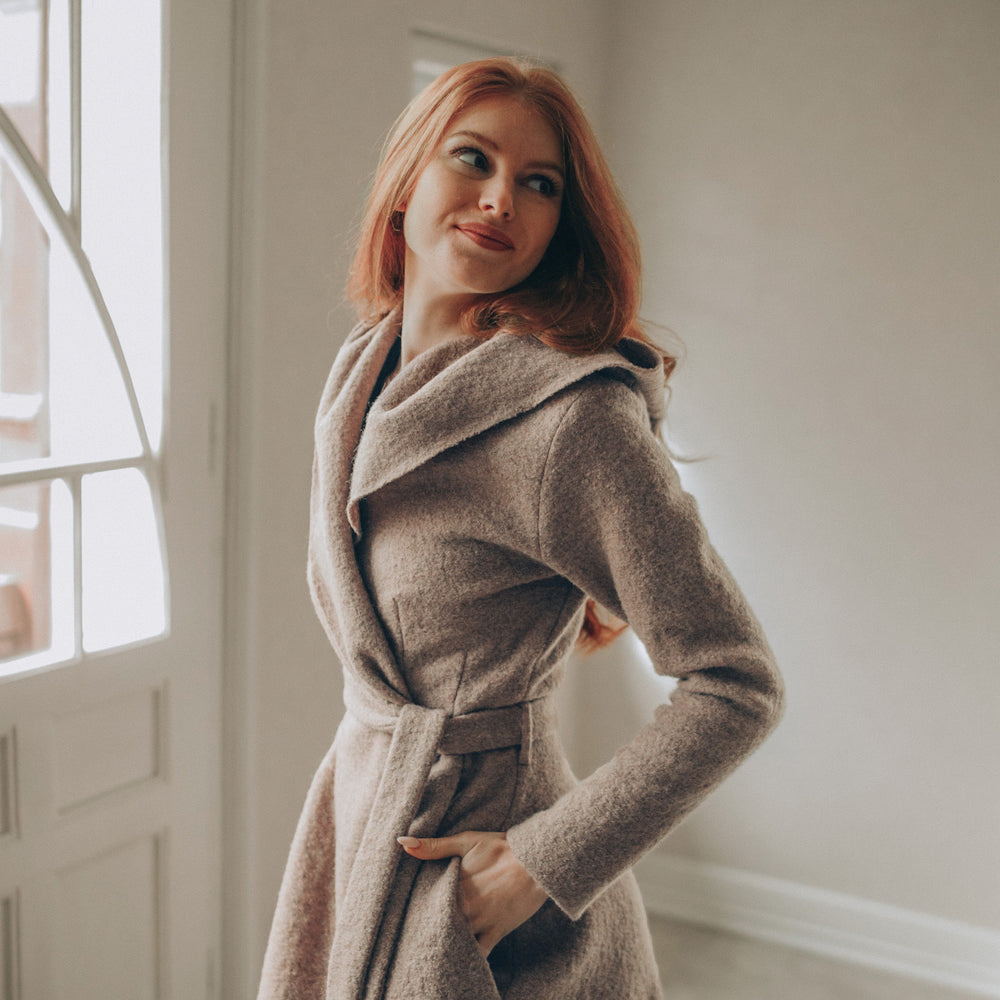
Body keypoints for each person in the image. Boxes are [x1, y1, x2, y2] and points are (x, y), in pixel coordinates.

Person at [257, 58, 784, 1000]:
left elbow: (737, 681)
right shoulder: (360, 372)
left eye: (539, 184)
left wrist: (541, 863)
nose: (502, 198)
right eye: (473, 159)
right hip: (359, 820)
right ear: (405, 180)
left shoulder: (568, 420)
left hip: (490, 888)